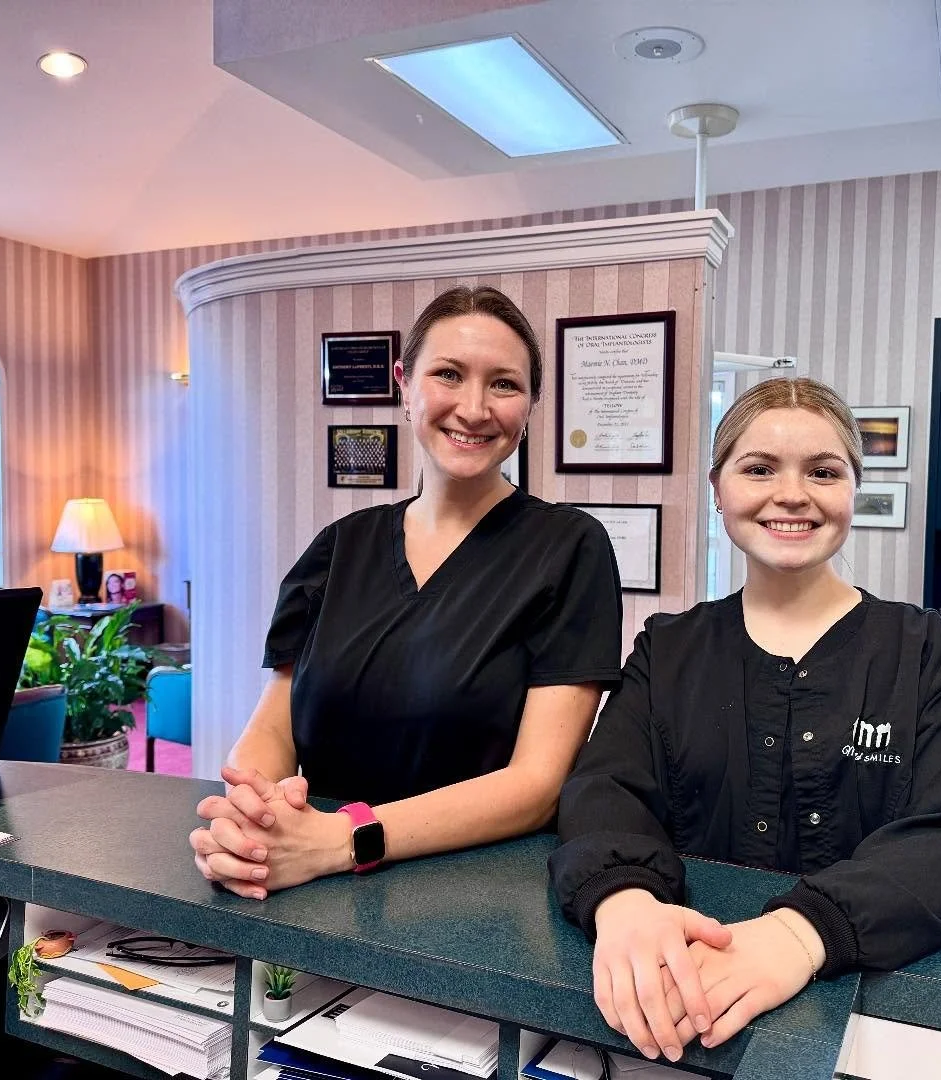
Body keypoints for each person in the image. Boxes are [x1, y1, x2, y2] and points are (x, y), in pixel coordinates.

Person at [549, 377, 941, 1062]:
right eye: (759, 468)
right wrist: (623, 900)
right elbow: (604, 791)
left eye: (823, 471)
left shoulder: (932, 656)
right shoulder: (669, 651)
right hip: (681, 1010)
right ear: (718, 489)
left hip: (874, 1021)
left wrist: (803, 934)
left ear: (851, 491)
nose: (793, 494)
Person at [189, 286, 624, 899]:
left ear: (530, 405)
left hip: (478, 900)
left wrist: (345, 839)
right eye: (448, 374)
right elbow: (275, 725)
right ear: (405, 383)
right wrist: (248, 826)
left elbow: (537, 785)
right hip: (308, 882)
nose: (474, 409)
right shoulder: (339, 548)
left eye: (504, 384)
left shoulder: (568, 548)